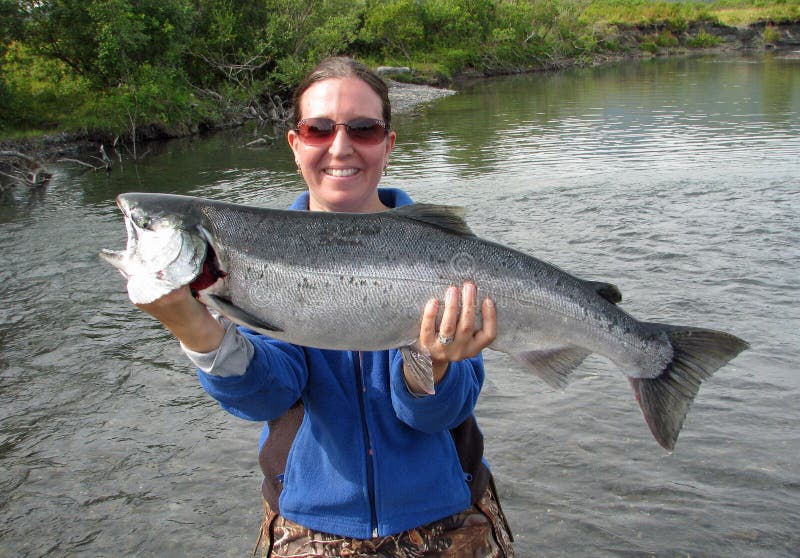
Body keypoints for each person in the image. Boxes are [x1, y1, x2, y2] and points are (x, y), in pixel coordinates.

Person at [134, 56, 514, 557]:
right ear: (295, 144)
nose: (340, 146)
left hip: (450, 520)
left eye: (363, 128)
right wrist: (194, 330)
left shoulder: (443, 259)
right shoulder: (254, 259)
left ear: (388, 144)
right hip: (307, 528)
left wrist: (435, 365)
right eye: (318, 129)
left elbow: (441, 414)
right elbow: (268, 396)